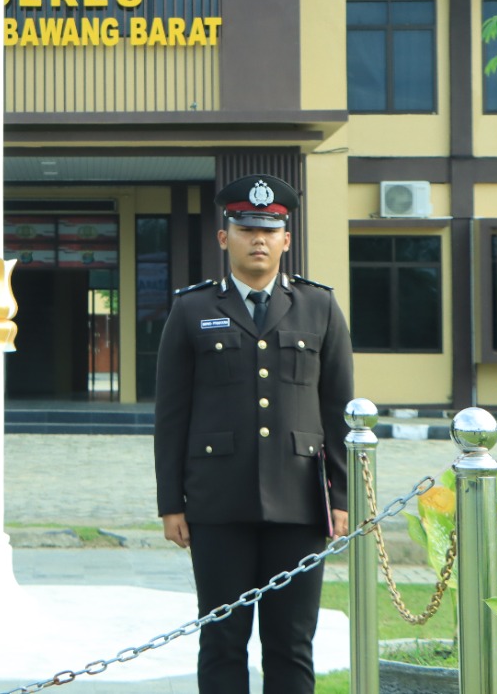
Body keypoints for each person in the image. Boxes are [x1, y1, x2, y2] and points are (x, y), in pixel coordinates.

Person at [153, 174, 354, 694]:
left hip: (301, 504)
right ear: (225, 238)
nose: (258, 240)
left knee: (291, 644)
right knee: (222, 642)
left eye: (270, 230)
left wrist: (343, 496)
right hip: (218, 504)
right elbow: (172, 415)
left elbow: (338, 413)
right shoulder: (192, 309)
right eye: (246, 229)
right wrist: (171, 503)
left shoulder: (320, 307)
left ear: (286, 239)